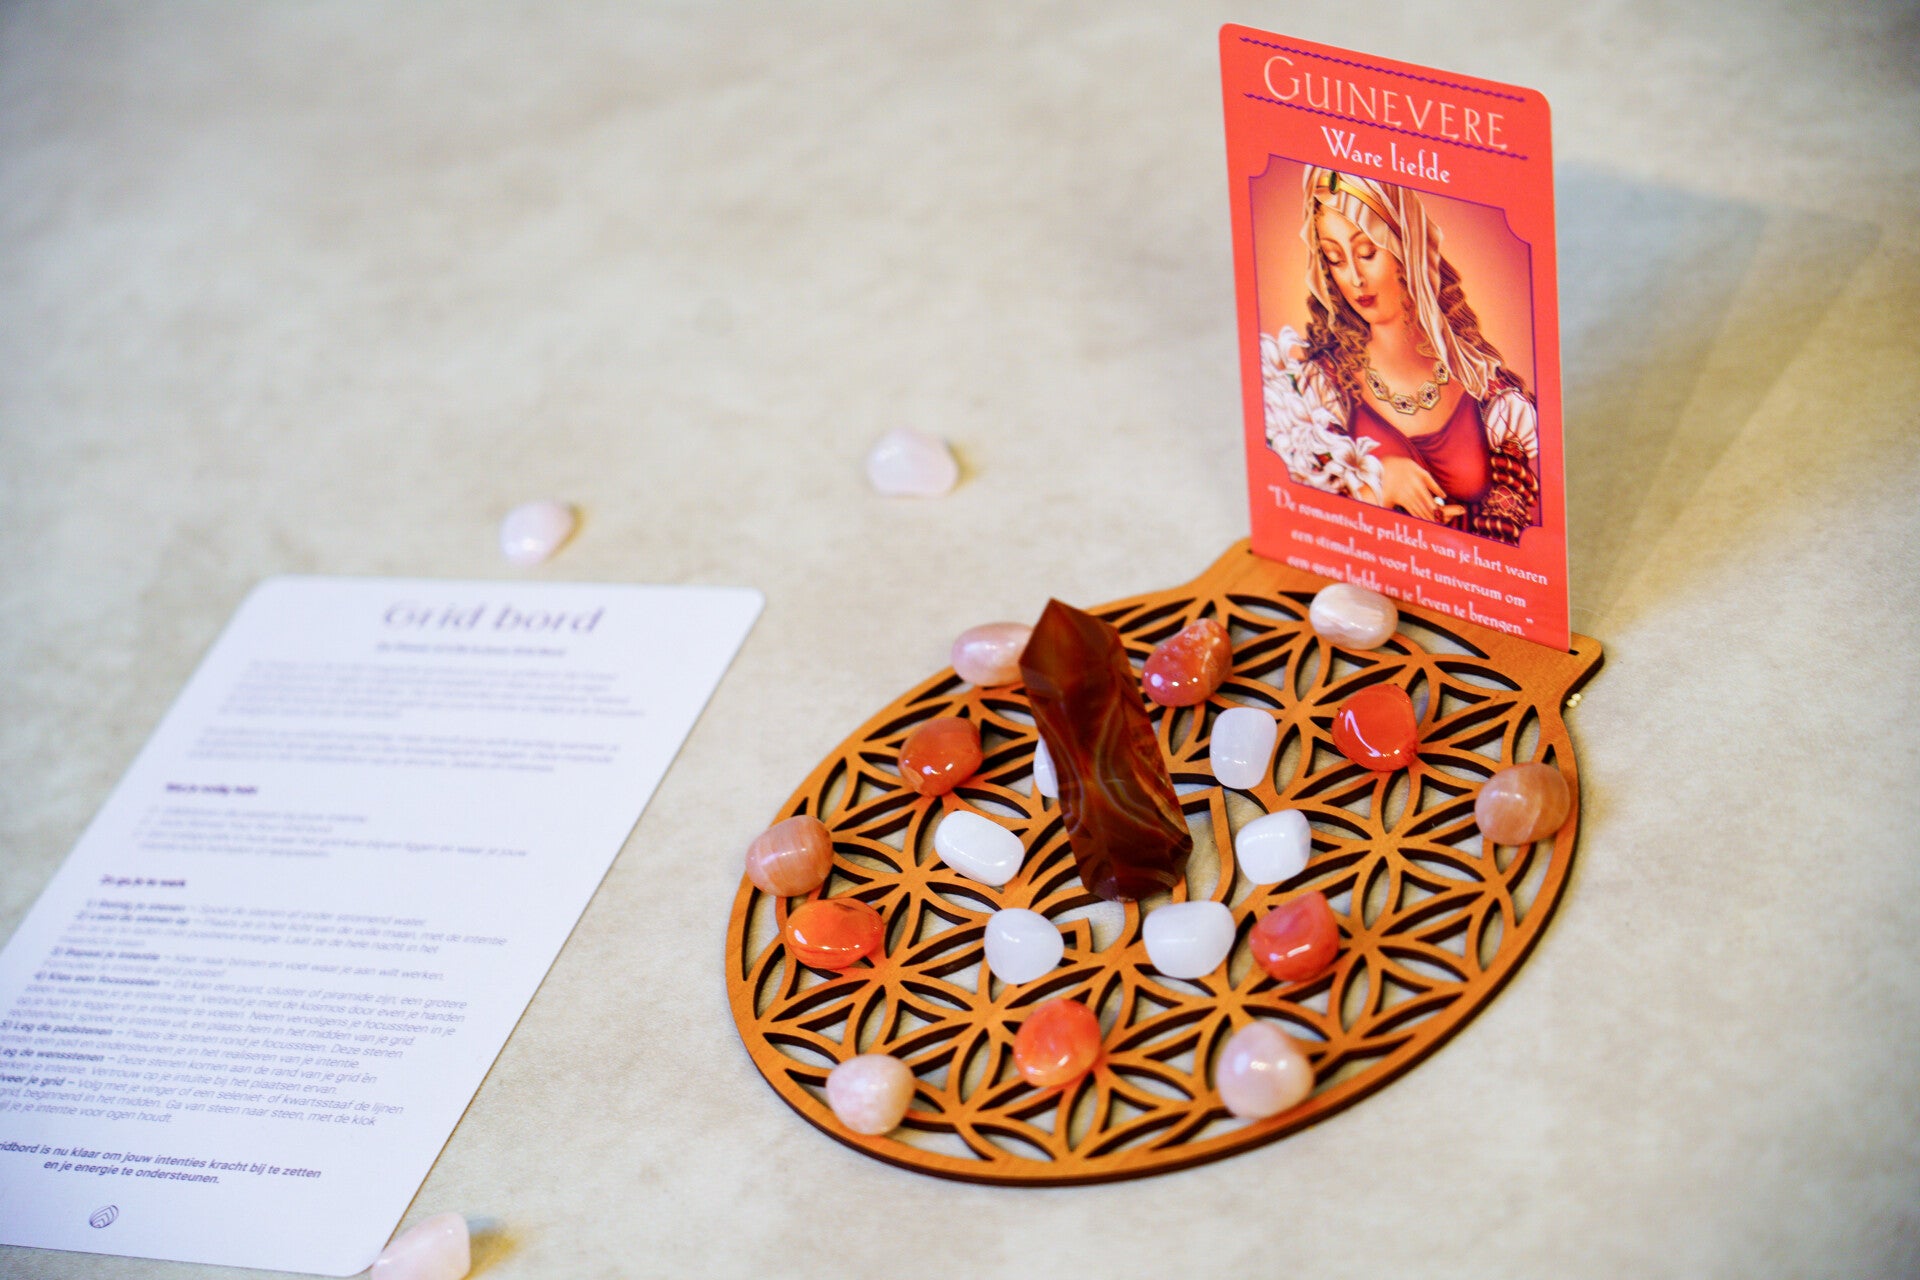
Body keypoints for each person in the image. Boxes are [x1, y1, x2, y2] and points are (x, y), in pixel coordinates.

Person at [1262, 167, 1539, 544]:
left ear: (1405, 249)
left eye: (1367, 252)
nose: (1355, 278)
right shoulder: (1323, 386)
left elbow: (1522, 534)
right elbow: (1299, 515)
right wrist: (1380, 485)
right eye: (1335, 259)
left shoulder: (1489, 392)